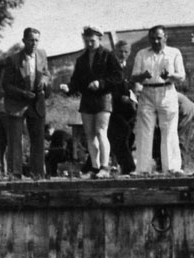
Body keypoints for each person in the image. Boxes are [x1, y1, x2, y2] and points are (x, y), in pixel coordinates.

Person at [60, 26, 122, 179]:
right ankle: (94, 167)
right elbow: (76, 81)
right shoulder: (81, 59)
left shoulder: (108, 55)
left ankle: (105, 167)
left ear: (100, 39)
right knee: (89, 134)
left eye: (92, 41)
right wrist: (68, 88)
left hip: (103, 98)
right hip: (87, 99)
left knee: (101, 131)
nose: (89, 43)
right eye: (86, 40)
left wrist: (100, 83)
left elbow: (118, 77)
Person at [131, 25, 186, 175]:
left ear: (165, 37)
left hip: (167, 91)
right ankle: (142, 169)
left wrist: (170, 75)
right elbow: (134, 77)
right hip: (147, 92)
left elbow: (181, 76)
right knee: (144, 131)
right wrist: (143, 76)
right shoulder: (142, 54)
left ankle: (172, 168)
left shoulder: (174, 53)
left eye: (159, 38)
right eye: (152, 38)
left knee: (169, 130)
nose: (155, 41)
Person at [2, 28, 51, 179]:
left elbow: (47, 73)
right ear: (24, 40)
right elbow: (6, 85)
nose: (34, 43)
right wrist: (23, 93)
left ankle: (37, 173)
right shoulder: (13, 59)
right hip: (17, 104)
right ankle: (15, 174)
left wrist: (44, 80)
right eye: (31, 40)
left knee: (38, 139)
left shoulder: (42, 55)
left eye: (37, 40)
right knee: (15, 140)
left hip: (37, 103)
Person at [108, 40, 137, 176]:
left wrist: (131, 96)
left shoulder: (130, 66)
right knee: (120, 136)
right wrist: (120, 96)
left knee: (127, 137)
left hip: (130, 107)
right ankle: (128, 167)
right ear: (115, 51)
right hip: (115, 106)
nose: (123, 54)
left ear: (130, 53)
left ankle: (126, 166)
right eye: (120, 51)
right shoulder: (110, 65)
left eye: (126, 52)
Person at [152, 92, 194, 171]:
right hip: (182, 107)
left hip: (182, 109)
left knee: (176, 138)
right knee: (168, 137)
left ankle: (178, 167)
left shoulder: (152, 95)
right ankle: (163, 164)